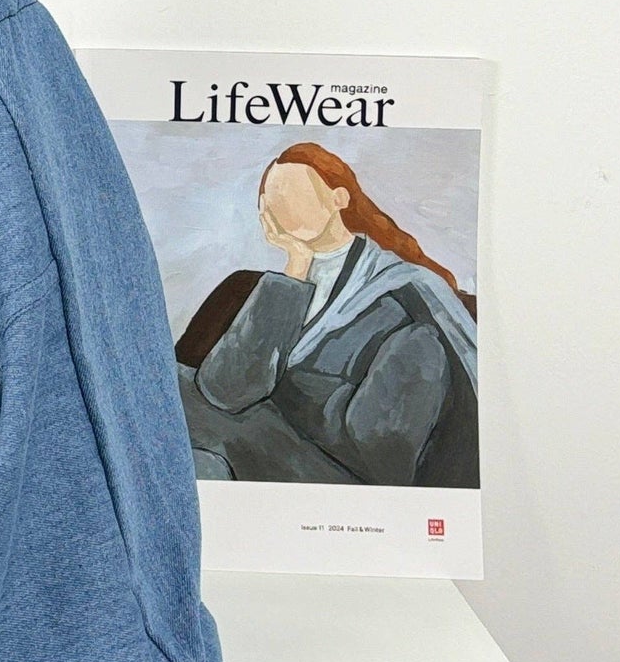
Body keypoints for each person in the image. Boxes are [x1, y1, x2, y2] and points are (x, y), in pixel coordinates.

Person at [178, 143, 478, 487]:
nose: (282, 206)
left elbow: (380, 453)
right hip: (268, 458)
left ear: (339, 198)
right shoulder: (268, 289)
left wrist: (288, 390)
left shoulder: (403, 298)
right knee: (180, 410)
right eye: (272, 198)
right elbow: (224, 391)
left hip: (338, 478)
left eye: (293, 192)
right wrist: (296, 266)